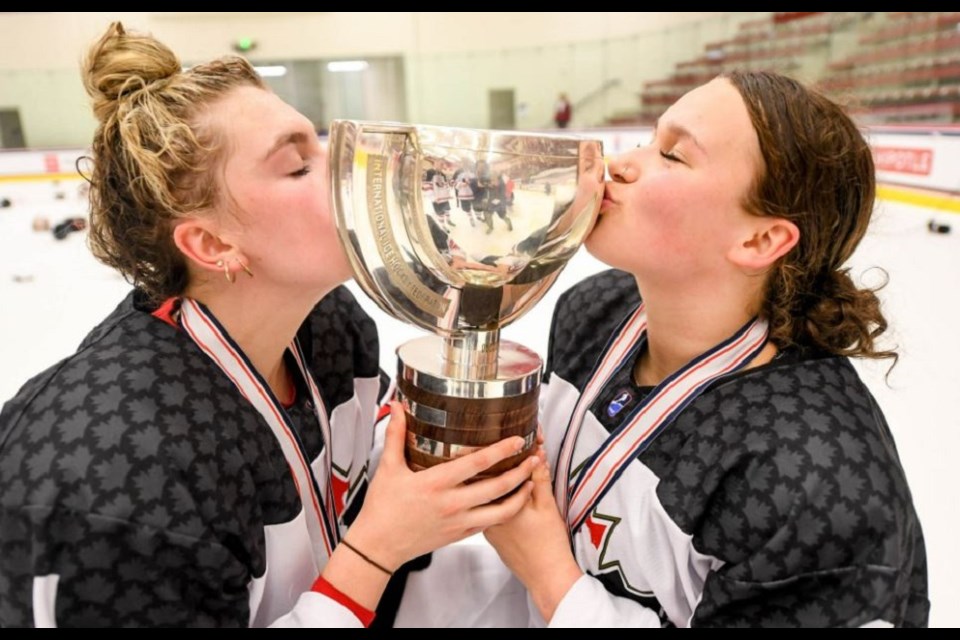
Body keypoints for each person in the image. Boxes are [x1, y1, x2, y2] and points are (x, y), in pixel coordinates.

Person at [0, 22, 539, 628]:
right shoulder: (112, 483)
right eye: (297, 166)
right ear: (211, 243)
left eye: (320, 141)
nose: (344, 163)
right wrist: (374, 551)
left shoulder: (329, 327)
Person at [484, 71, 929, 627]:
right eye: (650, 137)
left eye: (672, 155)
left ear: (759, 240)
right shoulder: (593, 310)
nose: (620, 163)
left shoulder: (816, 479)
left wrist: (550, 575)